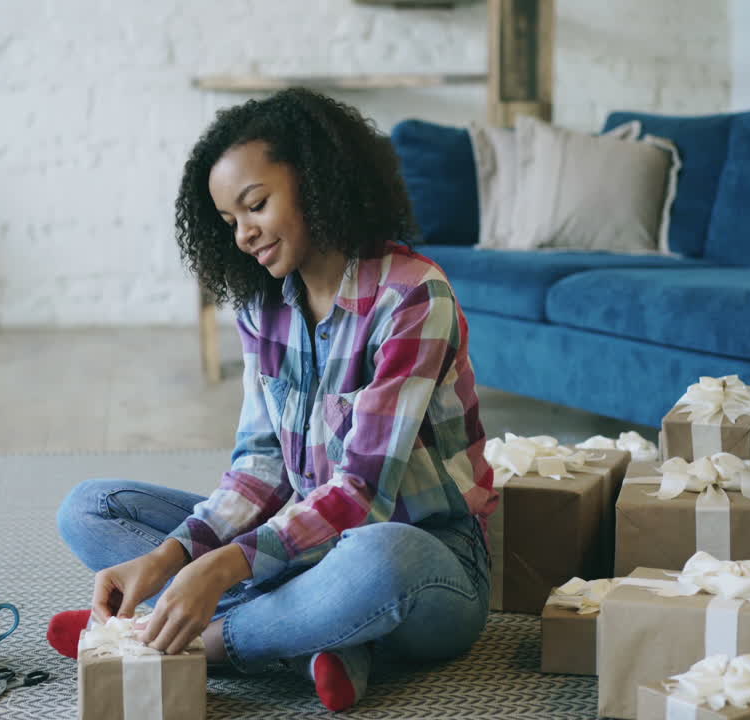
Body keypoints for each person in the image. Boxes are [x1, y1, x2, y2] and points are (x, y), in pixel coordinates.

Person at [51, 88, 497, 712]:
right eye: (229, 221)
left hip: (429, 561)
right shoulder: (261, 307)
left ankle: (193, 641)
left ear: (317, 180)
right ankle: (317, 642)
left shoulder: (414, 296)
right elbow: (259, 471)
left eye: (256, 205)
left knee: (378, 556)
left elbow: (363, 494)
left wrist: (220, 569)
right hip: (307, 550)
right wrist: (170, 557)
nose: (243, 235)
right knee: (87, 507)